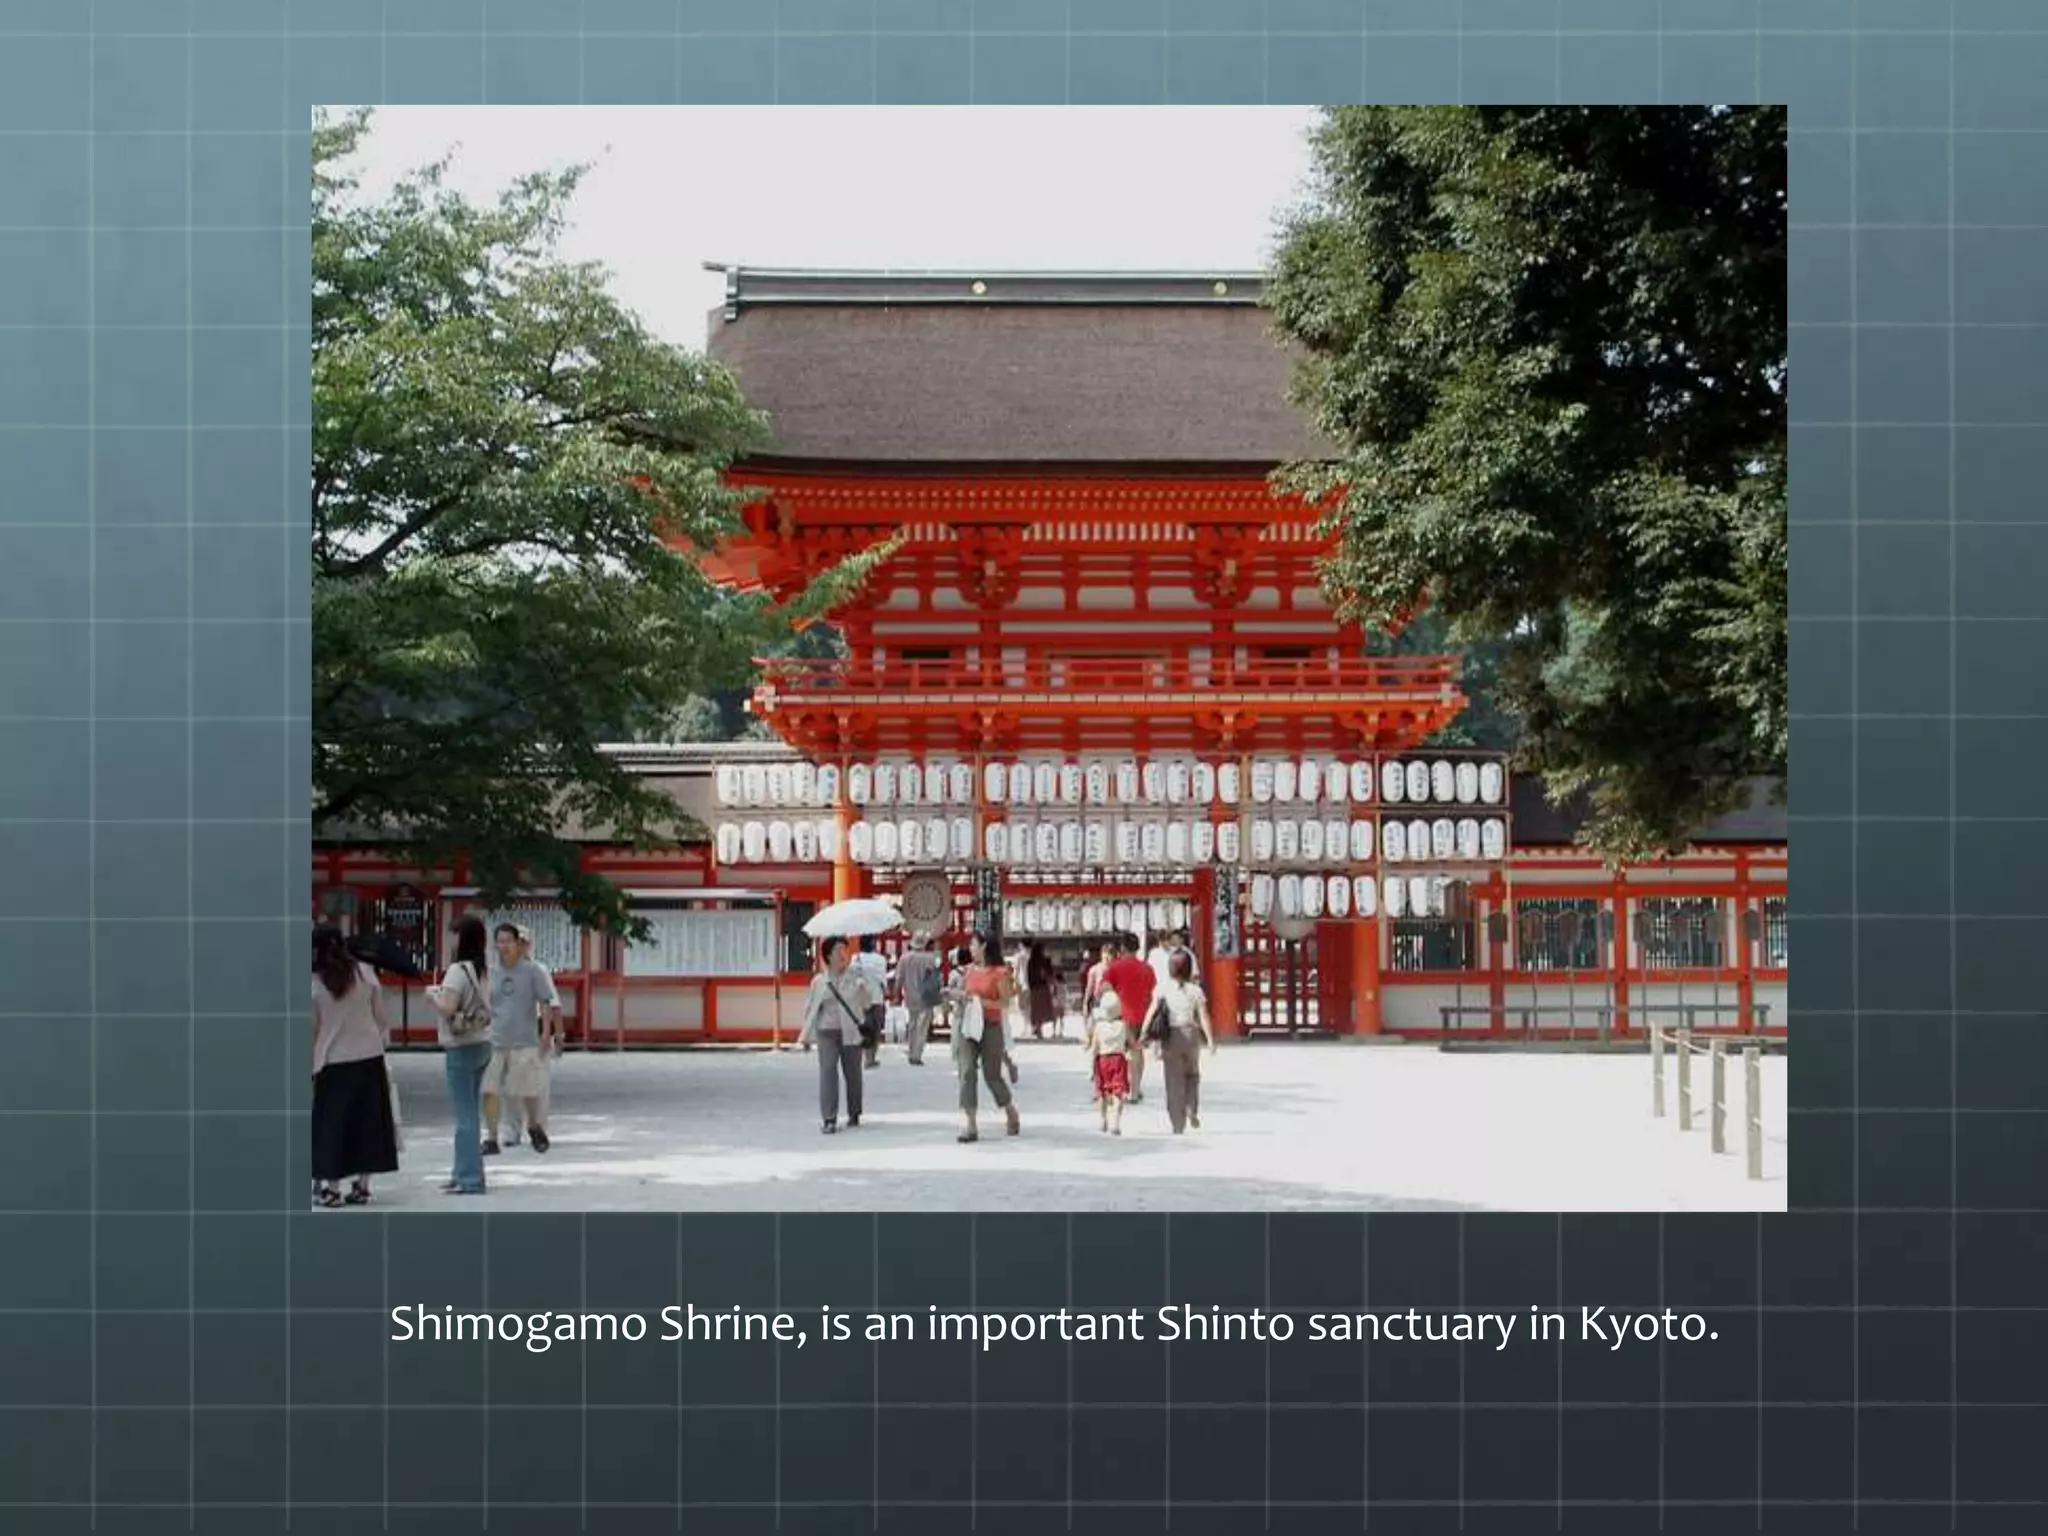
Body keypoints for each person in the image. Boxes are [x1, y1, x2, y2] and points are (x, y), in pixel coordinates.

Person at [310, 925, 400, 1207]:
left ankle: (332, 1189)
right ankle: (362, 1187)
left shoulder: (314, 983)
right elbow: (382, 1018)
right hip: (370, 1056)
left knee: (332, 1125)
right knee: (368, 1122)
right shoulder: (365, 973)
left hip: (332, 1061)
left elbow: (312, 1029)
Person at [424, 914, 493, 1195]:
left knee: (464, 1116)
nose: (449, 939)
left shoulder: (456, 970)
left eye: (453, 933)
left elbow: (448, 1007)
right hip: (482, 1042)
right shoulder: (483, 969)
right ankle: (463, 1171)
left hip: (460, 1046)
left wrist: (433, 995)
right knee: (471, 1111)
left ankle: (469, 1178)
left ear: (461, 938)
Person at [479, 923, 556, 1156]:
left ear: (517, 943)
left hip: (524, 1039)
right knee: (489, 1090)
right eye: (499, 941)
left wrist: (546, 1033)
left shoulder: (532, 971)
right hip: (494, 1039)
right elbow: (485, 1002)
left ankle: (533, 1125)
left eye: (508, 941)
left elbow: (545, 1001)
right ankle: (492, 1137)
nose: (503, 946)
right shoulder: (490, 971)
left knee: (525, 1090)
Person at [798, 935, 868, 1133]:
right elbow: (811, 1010)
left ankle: (854, 1112)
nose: (843, 954)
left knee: (853, 1073)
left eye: (845, 950)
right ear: (828, 955)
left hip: (851, 1031)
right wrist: (805, 1037)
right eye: (839, 951)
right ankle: (829, 1118)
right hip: (826, 1031)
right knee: (828, 1072)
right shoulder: (819, 981)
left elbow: (866, 1004)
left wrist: (863, 988)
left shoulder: (855, 976)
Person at [956, 932, 1021, 1143]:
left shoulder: (999, 973)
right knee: (966, 1072)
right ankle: (970, 1123)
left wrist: (984, 1003)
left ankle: (1009, 1109)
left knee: (991, 1074)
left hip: (990, 1026)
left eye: (974, 944)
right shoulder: (969, 971)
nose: (971, 948)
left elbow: (1005, 1003)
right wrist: (959, 998)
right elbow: (966, 995)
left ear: (984, 946)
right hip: (969, 1026)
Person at [505, 925, 563, 1148]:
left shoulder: (539, 970)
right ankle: (512, 1129)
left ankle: (537, 1127)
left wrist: (554, 1034)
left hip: (536, 1029)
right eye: (516, 941)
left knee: (539, 1083)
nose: (521, 946)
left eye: (524, 942)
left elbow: (551, 1004)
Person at [1153, 950, 1217, 1134]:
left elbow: (1153, 1012)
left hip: (1171, 1036)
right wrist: (1210, 1040)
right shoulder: (1196, 991)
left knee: (1173, 1080)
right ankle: (1191, 1108)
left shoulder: (1162, 989)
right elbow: (1203, 1016)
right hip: (1191, 1034)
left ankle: (1177, 1123)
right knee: (1192, 1075)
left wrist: (1144, 1035)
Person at [1101, 933, 1157, 1106]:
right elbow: (1152, 989)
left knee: (1129, 1053)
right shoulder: (1147, 968)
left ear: (1123, 948)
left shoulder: (1114, 968)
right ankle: (1137, 1087)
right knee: (1138, 1051)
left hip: (1123, 1015)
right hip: (1144, 1015)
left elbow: (1105, 988)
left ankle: (1131, 1090)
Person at [1082, 990, 1131, 1135]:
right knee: (1118, 1092)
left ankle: (1102, 1119)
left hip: (1102, 1060)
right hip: (1118, 1060)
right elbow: (1132, 1043)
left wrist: (1091, 1068)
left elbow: (1094, 1049)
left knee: (1102, 1093)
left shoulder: (1099, 1027)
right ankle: (1115, 1120)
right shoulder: (1124, 1026)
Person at [893, 935, 942, 1066]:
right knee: (923, 1026)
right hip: (926, 996)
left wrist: (896, 994)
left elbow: (899, 978)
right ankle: (917, 1053)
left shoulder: (905, 958)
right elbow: (937, 976)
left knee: (913, 1024)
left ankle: (911, 1049)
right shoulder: (931, 958)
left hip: (910, 995)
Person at [853, 935, 890, 1068]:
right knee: (876, 1028)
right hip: (876, 997)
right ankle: (872, 1056)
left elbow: (852, 978)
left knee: (864, 1027)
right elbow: (882, 980)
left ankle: (866, 1056)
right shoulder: (880, 960)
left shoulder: (855, 959)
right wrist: (886, 992)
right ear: (873, 943)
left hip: (861, 998)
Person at [1025, 942, 1059, 1041]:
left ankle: (1037, 1027)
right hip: (1043, 987)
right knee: (1043, 1009)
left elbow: (1029, 975)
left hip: (1034, 988)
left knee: (1036, 1009)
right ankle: (1039, 1028)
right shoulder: (1044, 961)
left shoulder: (1031, 962)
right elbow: (1050, 973)